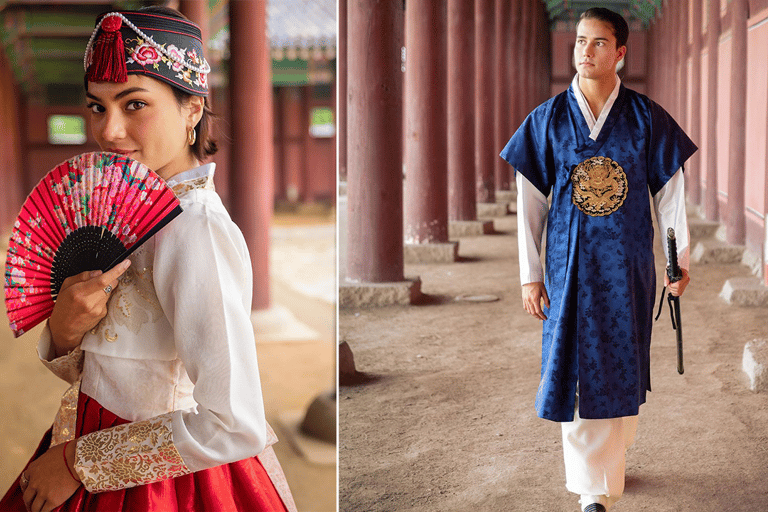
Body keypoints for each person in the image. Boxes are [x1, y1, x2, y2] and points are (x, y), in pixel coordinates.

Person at [0, 7, 296, 512]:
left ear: (192, 110)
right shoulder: (124, 213)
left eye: (134, 104)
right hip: (85, 432)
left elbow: (234, 422)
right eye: (97, 107)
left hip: (163, 483)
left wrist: (78, 462)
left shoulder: (195, 230)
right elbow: (111, 372)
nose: (109, 131)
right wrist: (66, 330)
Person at [500, 7, 695, 512]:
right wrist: (530, 277)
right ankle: (592, 491)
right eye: (580, 41)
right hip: (569, 272)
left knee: (622, 366)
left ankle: (614, 457)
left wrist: (677, 263)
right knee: (578, 369)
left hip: (628, 270)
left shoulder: (645, 118)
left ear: (621, 53)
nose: (585, 52)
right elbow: (530, 207)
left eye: (598, 44)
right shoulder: (546, 121)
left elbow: (670, 196)